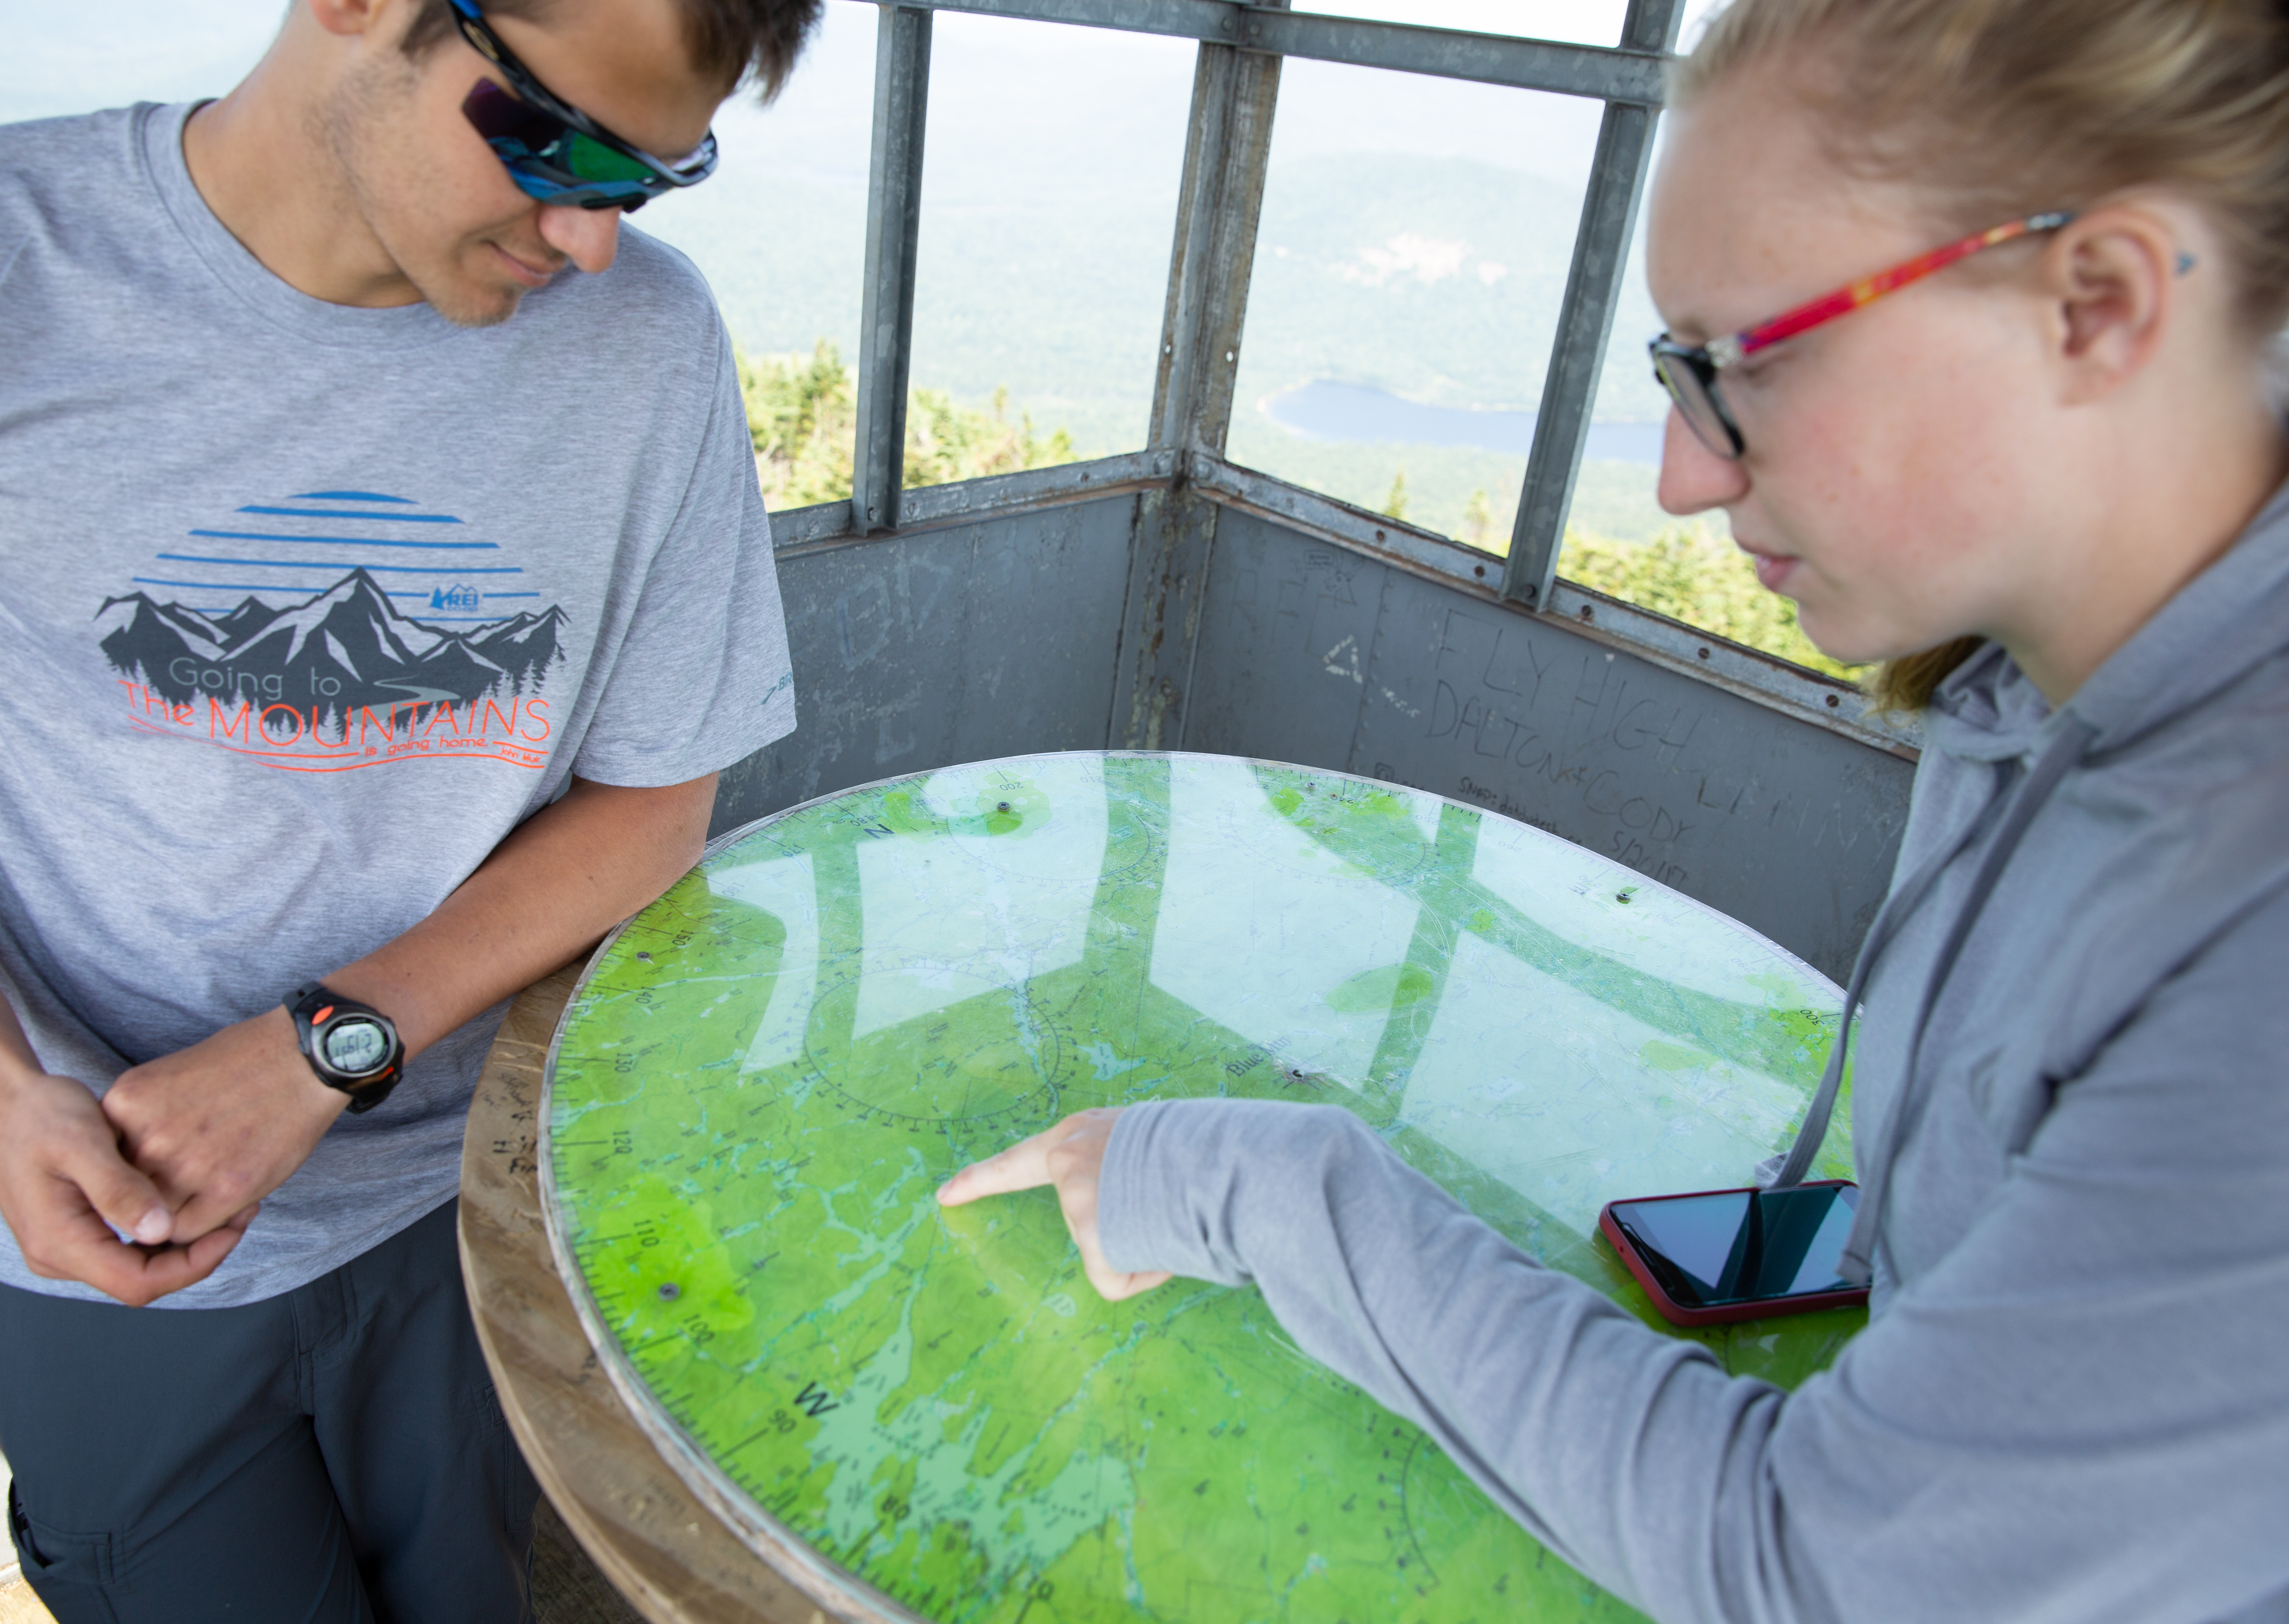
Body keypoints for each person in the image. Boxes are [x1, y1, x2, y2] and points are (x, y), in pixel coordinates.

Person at [941, 0, 2289, 1619]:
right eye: (1675, 368)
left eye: (1747, 366)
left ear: (2100, 301)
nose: (1684, 477)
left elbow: (1817, 1570)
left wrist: (1272, 1188)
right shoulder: (2024, 682)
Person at [0, 0, 817, 1616]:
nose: (587, 240)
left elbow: (657, 808)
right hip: (98, 1223)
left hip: (476, 1203)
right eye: (553, 148)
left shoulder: (644, 344)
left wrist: (323, 1048)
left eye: (650, 180)